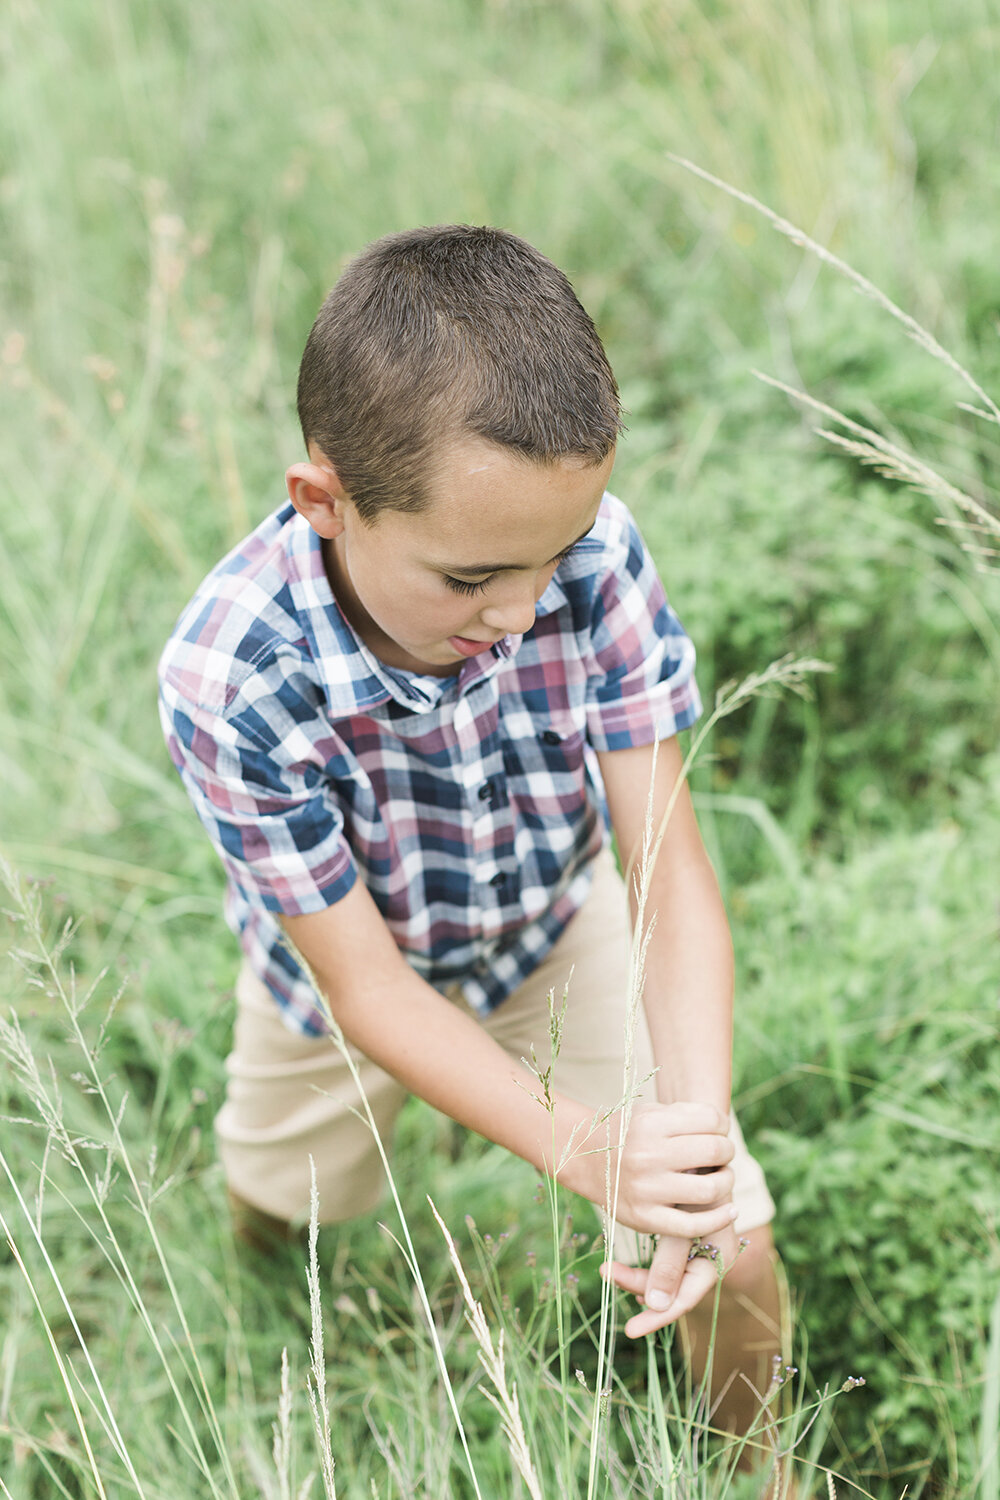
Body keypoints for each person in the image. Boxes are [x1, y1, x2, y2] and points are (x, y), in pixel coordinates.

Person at [158, 224, 783, 1442]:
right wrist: (588, 1154)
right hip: (340, 978)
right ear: (324, 502)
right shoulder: (231, 674)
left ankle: (768, 1470)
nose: (520, 607)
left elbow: (665, 876)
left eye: (549, 558)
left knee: (739, 1247)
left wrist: (685, 1154)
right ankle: (264, 1289)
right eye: (469, 579)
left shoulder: (588, 560)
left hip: (556, 928)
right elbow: (370, 991)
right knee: (282, 1195)